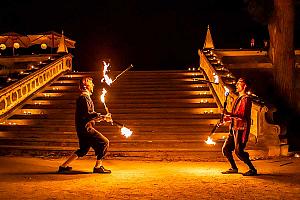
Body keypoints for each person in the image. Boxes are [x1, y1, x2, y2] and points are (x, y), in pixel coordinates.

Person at [58, 76, 112, 174]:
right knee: (104, 142)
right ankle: (98, 167)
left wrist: (103, 118)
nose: (93, 85)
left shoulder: (85, 98)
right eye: (91, 83)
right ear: (86, 86)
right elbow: (89, 114)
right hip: (86, 128)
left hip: (82, 128)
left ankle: (63, 166)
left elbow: (89, 115)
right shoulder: (84, 98)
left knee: (83, 150)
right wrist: (104, 117)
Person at [221, 77, 257, 176]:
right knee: (226, 149)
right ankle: (234, 168)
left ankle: (252, 169)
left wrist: (229, 114)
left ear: (244, 86)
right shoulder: (238, 98)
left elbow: (243, 116)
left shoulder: (246, 99)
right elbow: (235, 115)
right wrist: (227, 118)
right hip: (233, 128)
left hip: (241, 129)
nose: (236, 85)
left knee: (239, 151)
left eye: (239, 83)